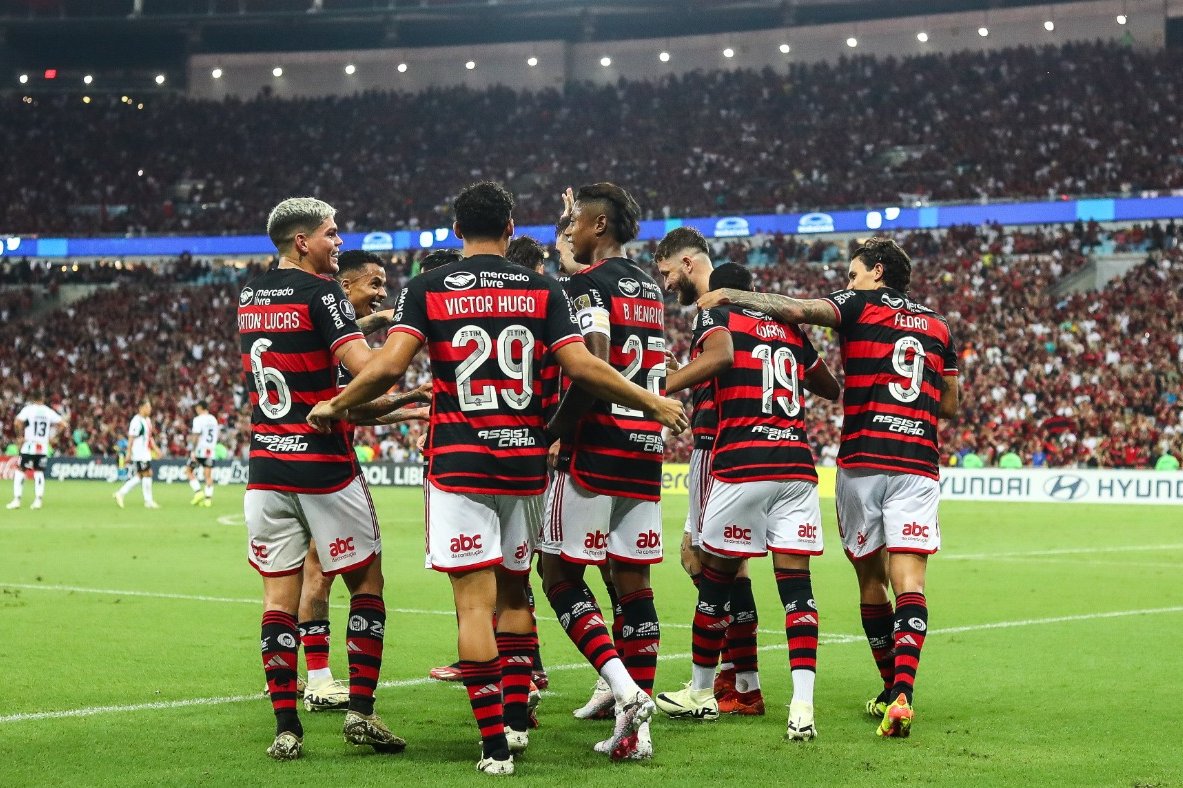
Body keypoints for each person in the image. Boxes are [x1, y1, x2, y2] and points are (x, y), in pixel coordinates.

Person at [308, 181, 686, 776]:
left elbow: (386, 367)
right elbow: (584, 363)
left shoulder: (428, 288)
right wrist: (651, 400)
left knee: (472, 606)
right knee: (514, 595)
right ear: (511, 229)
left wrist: (335, 404)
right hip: (524, 465)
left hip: (460, 464)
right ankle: (513, 723)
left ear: (456, 230)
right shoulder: (541, 287)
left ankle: (494, 748)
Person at [698, 236, 960, 739]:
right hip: (918, 464)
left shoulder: (856, 304)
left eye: (854, 272)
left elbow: (797, 310)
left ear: (877, 271)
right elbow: (948, 405)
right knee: (910, 583)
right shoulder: (938, 325)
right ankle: (899, 692)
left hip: (864, 460)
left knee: (870, 582)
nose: (848, 280)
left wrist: (734, 298)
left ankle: (892, 687)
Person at [241, 197, 405, 761]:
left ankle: (287, 728)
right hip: (324, 467)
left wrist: (365, 321)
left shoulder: (253, 295)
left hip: (265, 468)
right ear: (302, 241)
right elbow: (370, 370)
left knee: (277, 600)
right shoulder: (325, 292)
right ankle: (360, 712)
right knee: (367, 583)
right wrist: (406, 336)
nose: (340, 242)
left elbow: (299, 335)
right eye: (332, 234)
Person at [653, 257, 840, 740]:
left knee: (714, 577)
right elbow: (828, 387)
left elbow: (722, 357)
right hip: (797, 467)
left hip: (740, 462)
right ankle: (802, 705)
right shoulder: (787, 328)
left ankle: (701, 691)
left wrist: (657, 388)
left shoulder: (715, 314)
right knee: (797, 589)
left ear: (717, 292)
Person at [540, 182, 667, 760]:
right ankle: (636, 734)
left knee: (558, 573)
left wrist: (555, 433)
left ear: (599, 227)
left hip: (596, 450)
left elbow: (589, 363)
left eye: (577, 224)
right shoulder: (648, 287)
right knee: (633, 583)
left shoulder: (589, 287)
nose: (570, 232)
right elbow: (570, 263)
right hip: (645, 448)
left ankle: (621, 686)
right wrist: (563, 228)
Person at [293, 248, 430, 714]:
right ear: (345, 287)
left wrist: (408, 405)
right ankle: (320, 679)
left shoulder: (325, 332)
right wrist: (410, 396)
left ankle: (316, 678)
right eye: (373, 284)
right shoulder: (330, 339)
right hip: (325, 465)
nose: (381, 292)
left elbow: (351, 408)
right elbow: (348, 405)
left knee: (318, 570)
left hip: (310, 459)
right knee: (325, 571)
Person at [7, 392, 67, 510]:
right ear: (43, 398)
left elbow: (17, 422)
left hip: (29, 445)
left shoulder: (28, 410)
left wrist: (20, 436)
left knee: (20, 470)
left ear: (32, 399)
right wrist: (54, 437)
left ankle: (17, 499)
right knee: (39, 472)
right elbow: (63, 424)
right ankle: (38, 500)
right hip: (42, 447)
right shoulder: (48, 411)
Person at [113, 399, 160, 509]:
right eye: (148, 407)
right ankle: (148, 501)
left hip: (146, 452)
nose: (150, 409)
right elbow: (131, 437)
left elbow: (149, 437)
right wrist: (129, 453)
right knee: (147, 473)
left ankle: (120, 493)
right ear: (141, 408)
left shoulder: (147, 420)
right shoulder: (136, 421)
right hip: (139, 453)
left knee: (141, 475)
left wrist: (156, 449)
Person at [185, 401, 220, 507]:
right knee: (208, 475)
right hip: (210, 450)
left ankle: (198, 492)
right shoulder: (213, 419)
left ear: (200, 408)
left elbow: (196, 436)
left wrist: (193, 450)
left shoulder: (198, 419)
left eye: (197, 408)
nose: (196, 410)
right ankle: (208, 500)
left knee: (188, 471)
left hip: (200, 450)